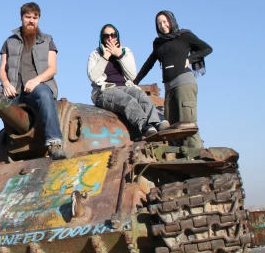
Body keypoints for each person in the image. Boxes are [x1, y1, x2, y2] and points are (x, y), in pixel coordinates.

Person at [0, 2, 67, 161]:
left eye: (35, 17)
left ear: (38, 19)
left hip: (36, 88)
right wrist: (7, 84)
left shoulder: (47, 40)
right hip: (11, 91)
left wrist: (37, 80)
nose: (31, 20)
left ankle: (54, 142)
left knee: (45, 95)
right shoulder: (10, 42)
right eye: (28, 17)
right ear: (21, 18)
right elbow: (2, 69)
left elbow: (52, 68)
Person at [134, 10, 212, 149]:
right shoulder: (158, 43)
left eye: (165, 22)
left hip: (184, 83)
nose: (163, 25)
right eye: (159, 23)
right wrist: (134, 82)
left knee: (187, 124)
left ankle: (194, 158)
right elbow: (149, 63)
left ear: (171, 21)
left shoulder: (184, 36)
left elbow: (206, 48)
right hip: (169, 87)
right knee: (172, 125)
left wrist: (190, 59)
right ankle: (179, 160)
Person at [87, 24, 169, 140]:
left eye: (113, 35)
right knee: (127, 100)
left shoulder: (126, 52)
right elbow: (93, 76)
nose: (110, 38)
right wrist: (105, 57)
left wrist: (119, 55)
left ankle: (156, 122)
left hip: (126, 87)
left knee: (140, 95)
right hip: (105, 91)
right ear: (102, 38)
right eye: (106, 36)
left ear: (117, 37)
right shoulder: (95, 55)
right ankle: (145, 127)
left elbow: (132, 76)